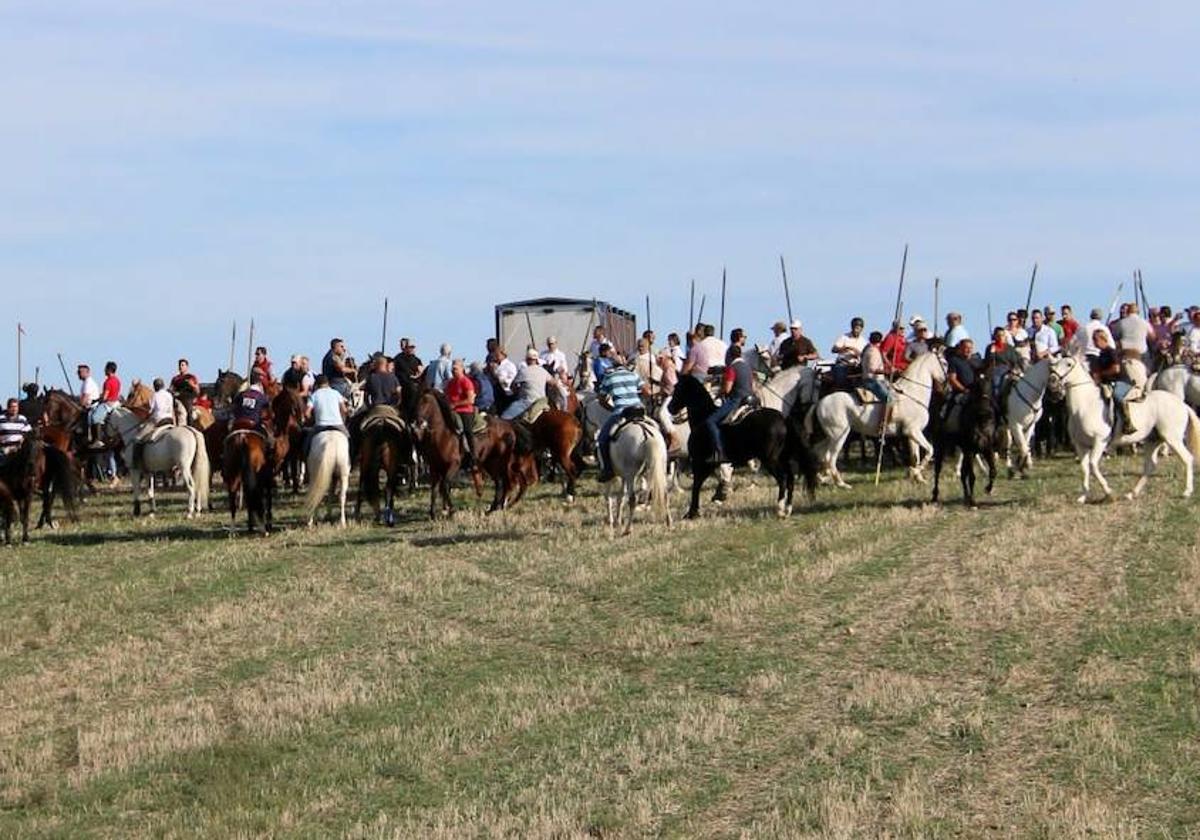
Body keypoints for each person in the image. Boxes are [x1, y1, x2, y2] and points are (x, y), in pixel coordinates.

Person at [705, 342, 755, 463]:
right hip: (751, 400)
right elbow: (753, 386)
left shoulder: (732, 368)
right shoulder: (748, 367)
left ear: (729, 356)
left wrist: (719, 393)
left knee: (710, 421)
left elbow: (727, 389)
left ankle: (720, 452)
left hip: (736, 400)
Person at [595, 359, 644, 483]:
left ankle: (608, 469)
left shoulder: (609, 377)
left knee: (602, 439)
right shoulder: (634, 375)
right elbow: (646, 391)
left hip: (621, 412)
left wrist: (611, 409)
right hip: (639, 410)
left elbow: (601, 399)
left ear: (612, 365)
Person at [1089, 329, 1136, 434]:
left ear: (1103, 339)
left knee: (1117, 395)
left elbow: (1116, 369)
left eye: (1095, 339)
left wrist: (1101, 374)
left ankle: (1127, 422)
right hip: (1108, 382)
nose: (1094, 342)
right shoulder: (1101, 354)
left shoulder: (1111, 352)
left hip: (1122, 381)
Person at [1114, 305, 1153, 402]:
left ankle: (1121, 397)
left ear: (1128, 312)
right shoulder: (1144, 322)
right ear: (1138, 312)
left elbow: (1115, 336)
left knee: (1125, 380)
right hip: (1142, 355)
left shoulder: (1121, 323)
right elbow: (1153, 337)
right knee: (1144, 382)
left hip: (1125, 356)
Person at [502, 349, 555, 420]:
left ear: (527, 359)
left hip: (526, 402)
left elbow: (512, 386)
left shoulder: (523, 371)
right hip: (541, 402)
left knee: (504, 417)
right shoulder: (543, 371)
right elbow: (554, 383)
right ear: (536, 360)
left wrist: (517, 391)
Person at [445, 359, 478, 467]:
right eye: (452, 369)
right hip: (452, 411)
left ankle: (473, 455)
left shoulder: (466, 382)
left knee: (467, 430)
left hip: (465, 410)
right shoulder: (450, 382)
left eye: (455, 369)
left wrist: (455, 404)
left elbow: (470, 400)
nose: (453, 371)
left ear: (462, 369)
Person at [304, 375, 349, 453]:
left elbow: (306, 413)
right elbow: (344, 410)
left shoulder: (314, 395)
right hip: (338, 424)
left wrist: (311, 419)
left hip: (320, 426)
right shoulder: (336, 393)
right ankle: (351, 460)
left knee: (306, 446)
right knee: (349, 440)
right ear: (328, 383)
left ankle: (305, 459)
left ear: (317, 384)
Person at [944, 338, 978, 424]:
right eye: (966, 348)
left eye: (970, 348)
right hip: (961, 392)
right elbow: (952, 379)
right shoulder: (954, 361)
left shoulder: (977, 361)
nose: (968, 350)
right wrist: (964, 390)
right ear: (960, 348)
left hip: (977, 393)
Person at [88, 362, 121, 448]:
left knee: (94, 417)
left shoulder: (108, 381)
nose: (104, 370)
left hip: (108, 404)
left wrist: (97, 400)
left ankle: (98, 440)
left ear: (109, 370)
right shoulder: (117, 380)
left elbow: (105, 396)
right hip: (116, 403)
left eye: (105, 369)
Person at [831, 318, 867, 388]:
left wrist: (858, 354)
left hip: (856, 365)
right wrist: (846, 348)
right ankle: (839, 389)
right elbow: (834, 349)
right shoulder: (844, 337)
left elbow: (865, 355)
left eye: (857, 328)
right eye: (854, 327)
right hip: (843, 363)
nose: (855, 330)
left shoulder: (863, 342)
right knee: (840, 376)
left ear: (861, 329)